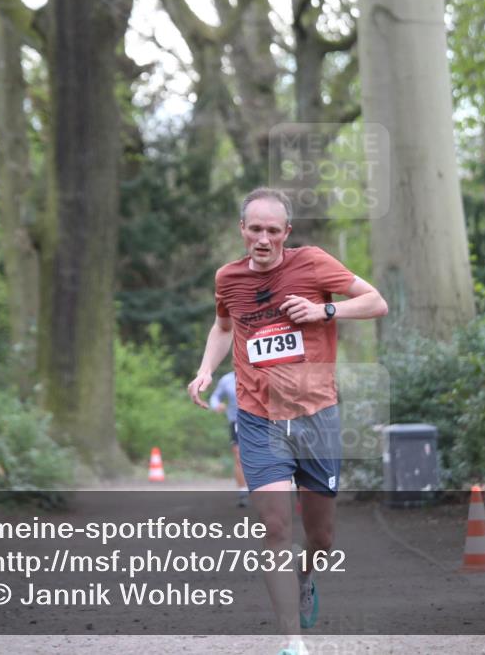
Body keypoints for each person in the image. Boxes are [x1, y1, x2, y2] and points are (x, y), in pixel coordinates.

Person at [187, 188, 388, 655]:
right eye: (254, 229)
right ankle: (292, 640)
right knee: (276, 529)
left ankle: (306, 578)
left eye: (272, 231)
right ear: (242, 230)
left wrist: (325, 310)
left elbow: (376, 302)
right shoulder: (228, 278)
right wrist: (204, 370)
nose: (262, 239)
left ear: (286, 234)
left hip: (316, 415)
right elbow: (223, 327)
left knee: (321, 535)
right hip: (259, 418)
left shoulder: (314, 263)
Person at [209, 370, 248, 507]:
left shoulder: (262, 373)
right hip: (237, 421)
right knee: (239, 455)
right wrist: (216, 405)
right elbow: (215, 397)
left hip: (264, 421)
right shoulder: (227, 379)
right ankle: (243, 492)